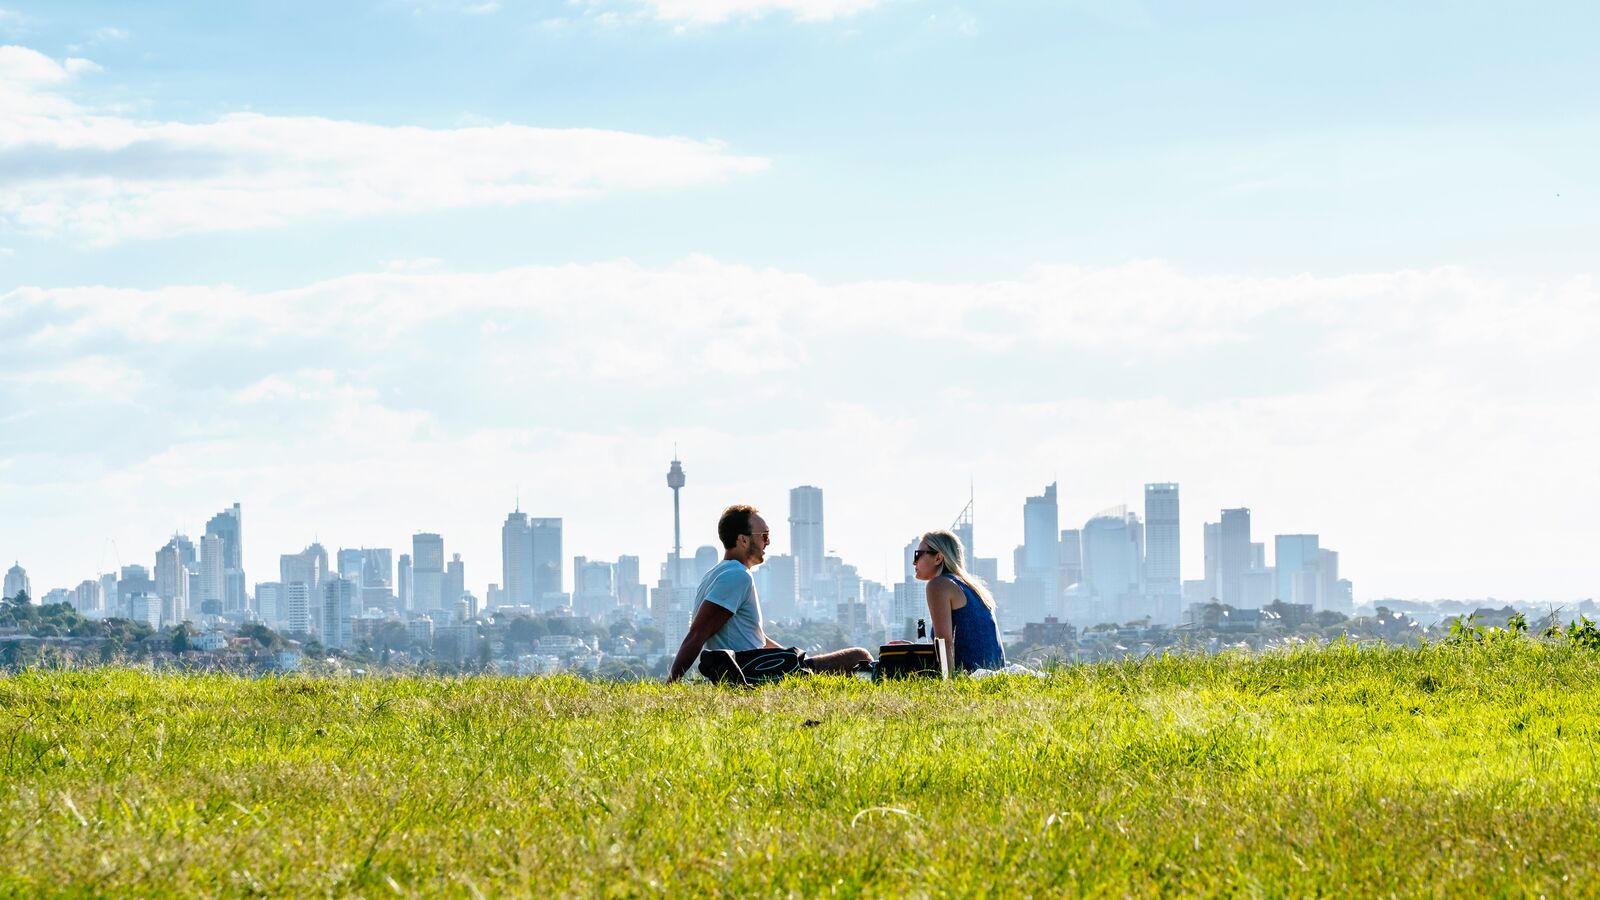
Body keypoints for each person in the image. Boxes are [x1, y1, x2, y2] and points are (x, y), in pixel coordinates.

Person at [667, 504, 872, 682]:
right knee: (859, 657)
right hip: (757, 673)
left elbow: (757, 640)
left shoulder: (715, 575)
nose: (768, 542)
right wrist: (671, 684)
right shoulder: (736, 576)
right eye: (764, 536)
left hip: (761, 666)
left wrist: (792, 659)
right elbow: (697, 633)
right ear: (743, 540)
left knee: (834, 664)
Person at [914, 529, 1006, 673]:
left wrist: (947, 685)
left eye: (918, 555)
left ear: (938, 558)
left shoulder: (938, 584)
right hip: (996, 675)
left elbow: (944, 642)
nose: (914, 562)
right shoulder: (972, 587)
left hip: (971, 676)